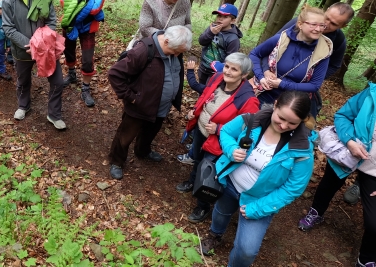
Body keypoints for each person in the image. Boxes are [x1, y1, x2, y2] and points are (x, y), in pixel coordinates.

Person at [200, 91, 316, 266]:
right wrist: (231, 149)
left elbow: (294, 187)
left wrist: (259, 208)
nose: (283, 125)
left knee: (247, 250)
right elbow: (226, 133)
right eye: (281, 118)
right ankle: (215, 235)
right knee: (221, 213)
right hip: (230, 183)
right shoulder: (250, 121)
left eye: (292, 123)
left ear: (302, 120)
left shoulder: (302, 150)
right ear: (275, 105)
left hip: (260, 200)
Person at [262, 2, 357, 203]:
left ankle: (287, 161)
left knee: (305, 123)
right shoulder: (300, 24)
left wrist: (314, 76)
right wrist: (266, 71)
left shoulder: (337, 40)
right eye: (327, 18)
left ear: (342, 26)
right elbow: (272, 47)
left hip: (304, 87)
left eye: (334, 24)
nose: (327, 25)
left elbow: (334, 65)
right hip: (275, 79)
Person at [297, 83, 376, 267]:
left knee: (374, 224)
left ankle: (366, 260)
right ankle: (316, 212)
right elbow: (342, 116)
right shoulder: (371, 95)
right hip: (348, 155)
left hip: (373, 172)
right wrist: (349, 142)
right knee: (327, 186)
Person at [175, 53, 260, 223]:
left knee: (209, 172)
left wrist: (219, 129)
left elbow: (248, 130)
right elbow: (205, 96)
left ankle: (203, 206)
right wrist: (195, 110)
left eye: (234, 69)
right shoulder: (216, 78)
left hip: (219, 141)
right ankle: (193, 183)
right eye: (227, 66)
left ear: (243, 75)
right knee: (198, 160)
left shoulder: (248, 99)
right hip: (201, 129)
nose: (227, 71)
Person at [107, 25, 193, 180]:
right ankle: (117, 161)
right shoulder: (143, 51)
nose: (178, 54)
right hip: (138, 106)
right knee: (126, 135)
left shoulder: (175, 50)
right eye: (177, 51)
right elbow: (115, 73)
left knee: (150, 132)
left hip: (161, 107)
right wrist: (132, 97)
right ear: (166, 42)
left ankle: (142, 151)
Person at [2, 0, 66, 130]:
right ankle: (23, 106)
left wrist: (42, 43)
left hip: (46, 49)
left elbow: (52, 21)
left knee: (58, 81)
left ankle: (54, 115)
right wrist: (29, 44)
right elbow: (8, 28)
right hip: (22, 50)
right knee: (23, 80)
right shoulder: (9, 0)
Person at [249, 5, 333, 109]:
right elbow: (254, 54)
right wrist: (261, 76)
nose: (318, 29)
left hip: (291, 102)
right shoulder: (281, 39)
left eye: (322, 25)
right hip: (262, 92)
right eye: (313, 24)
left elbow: (315, 85)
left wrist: (282, 84)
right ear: (300, 24)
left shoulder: (323, 50)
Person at [60, 0, 106, 107]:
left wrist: (77, 1)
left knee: (87, 58)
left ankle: (85, 88)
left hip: (89, 26)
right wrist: (87, 2)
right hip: (71, 22)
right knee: (69, 50)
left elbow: (96, 8)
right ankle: (71, 74)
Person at [198, 3, 242, 84]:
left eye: (225, 17)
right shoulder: (212, 27)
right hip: (204, 66)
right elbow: (201, 41)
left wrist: (221, 69)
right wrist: (211, 33)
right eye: (219, 16)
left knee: (209, 92)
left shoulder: (233, 39)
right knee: (201, 89)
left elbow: (231, 60)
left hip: (216, 73)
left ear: (232, 21)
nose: (220, 19)